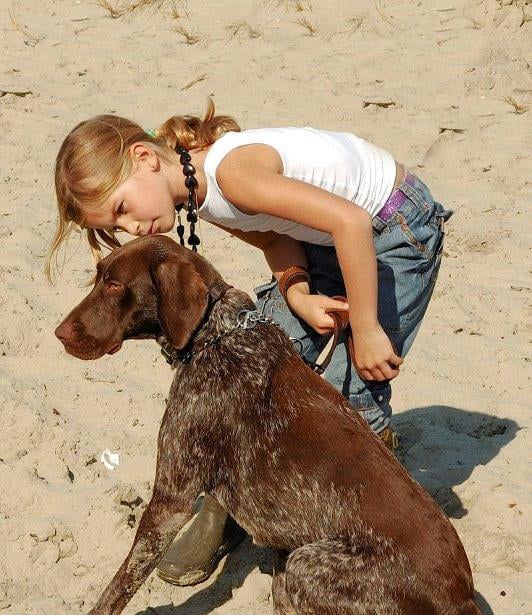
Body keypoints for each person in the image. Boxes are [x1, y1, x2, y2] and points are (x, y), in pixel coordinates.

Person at [49, 99, 453, 587]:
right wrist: (297, 292)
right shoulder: (194, 189)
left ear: (145, 157)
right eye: (115, 227)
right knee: (257, 353)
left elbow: (352, 222)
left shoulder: (232, 174)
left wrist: (365, 328)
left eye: (121, 208)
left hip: (394, 231)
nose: (131, 229)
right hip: (326, 239)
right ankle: (230, 499)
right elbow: (274, 238)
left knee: (351, 388)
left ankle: (371, 501)